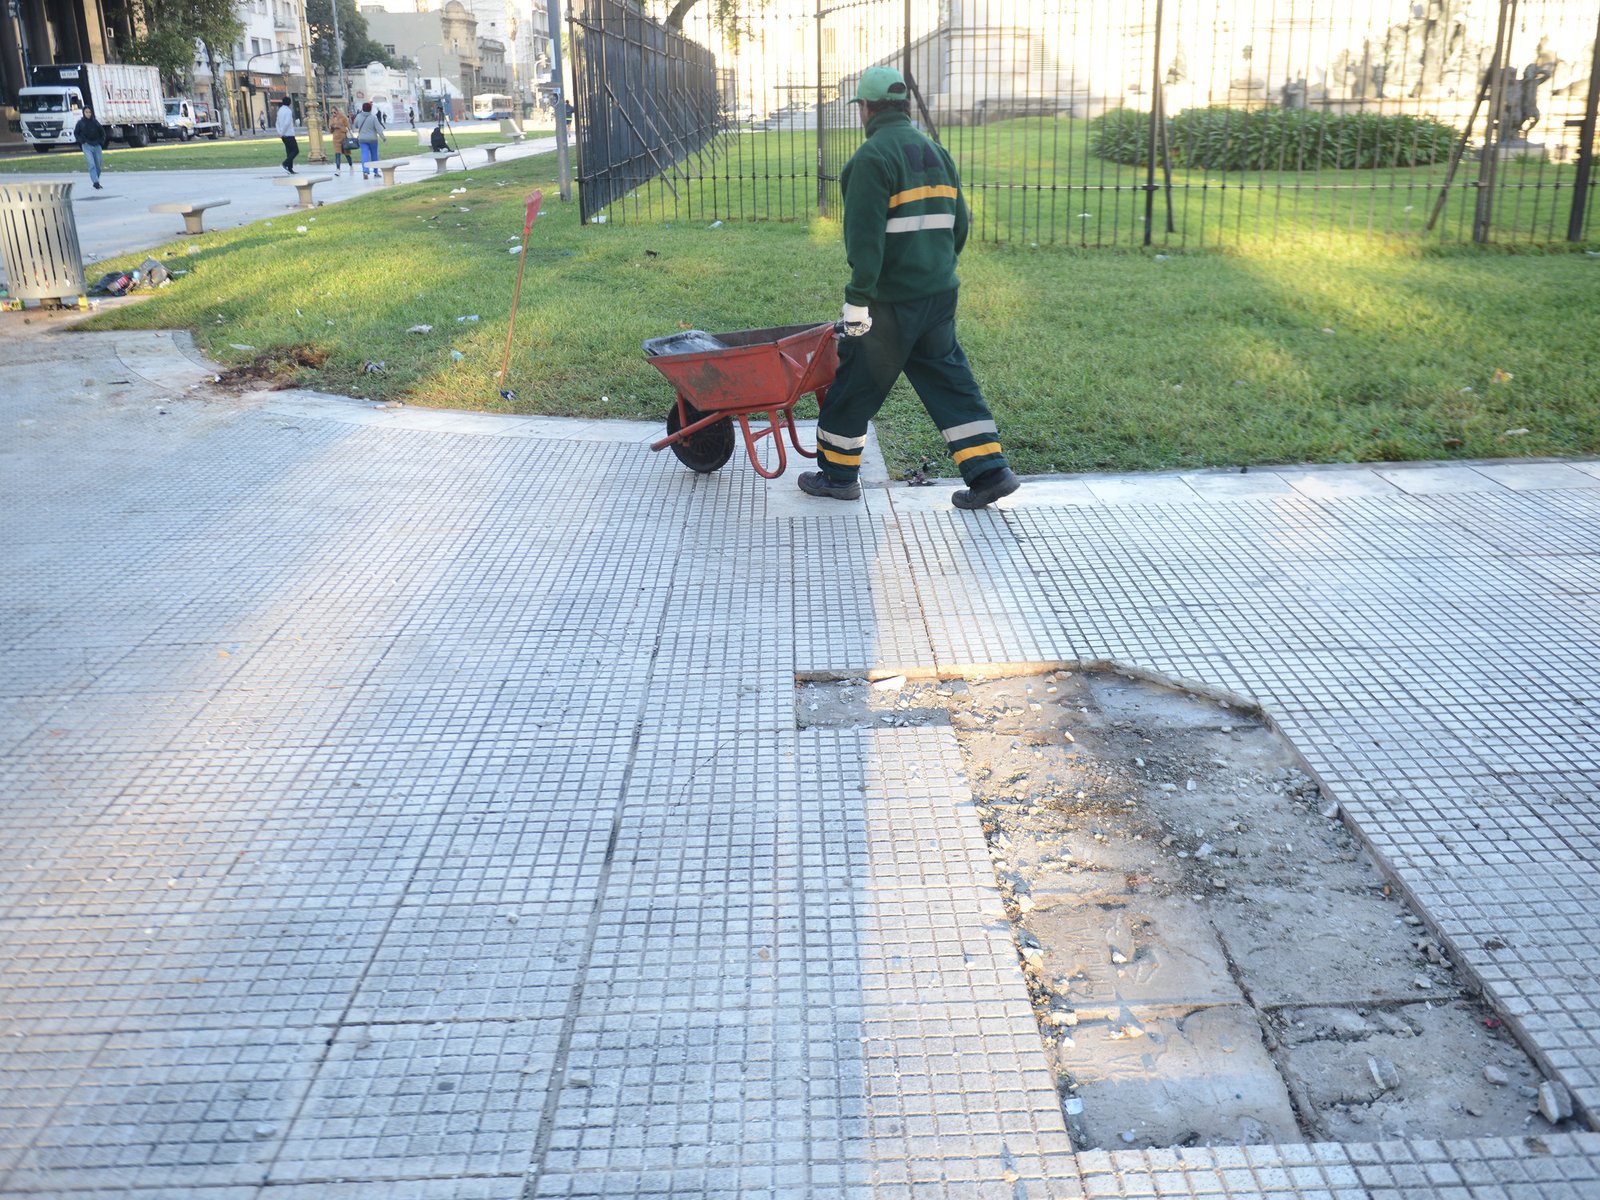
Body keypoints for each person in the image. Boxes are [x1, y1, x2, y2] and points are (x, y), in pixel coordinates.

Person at [797, 66, 1019, 510]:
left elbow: (865, 242)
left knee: (857, 381)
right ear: (903, 105)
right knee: (948, 378)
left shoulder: (870, 160)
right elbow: (960, 224)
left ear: (865, 107)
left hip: (891, 303)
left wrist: (857, 301)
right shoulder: (936, 151)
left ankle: (838, 475)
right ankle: (990, 472)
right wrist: (938, 268)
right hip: (939, 294)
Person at [72, 105, 108, 190]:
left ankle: (96, 179)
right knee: (91, 164)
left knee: (98, 165)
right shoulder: (80, 123)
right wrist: (82, 141)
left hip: (96, 146)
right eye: (86, 112)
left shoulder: (95, 122)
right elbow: (76, 133)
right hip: (87, 146)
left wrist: (101, 142)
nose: (88, 114)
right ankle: (95, 182)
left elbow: (102, 133)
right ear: (83, 113)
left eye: (89, 112)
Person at [353, 100, 386, 180]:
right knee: (374, 155)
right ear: (370, 109)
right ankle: (376, 172)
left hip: (362, 139)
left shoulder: (359, 116)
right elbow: (379, 129)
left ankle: (365, 171)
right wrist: (383, 138)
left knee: (364, 155)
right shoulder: (373, 117)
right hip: (373, 139)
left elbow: (356, 125)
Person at [275, 97, 298, 174]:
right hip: (289, 134)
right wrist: (283, 132)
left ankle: (290, 168)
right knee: (295, 150)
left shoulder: (280, 111)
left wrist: (280, 132)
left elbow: (277, 123)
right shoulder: (288, 111)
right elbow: (287, 123)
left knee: (289, 151)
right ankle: (286, 163)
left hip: (283, 135)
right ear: (289, 103)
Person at [328, 105, 352, 176]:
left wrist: (339, 126)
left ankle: (351, 165)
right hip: (335, 138)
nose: (333, 114)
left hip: (343, 138)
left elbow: (347, 128)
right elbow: (330, 131)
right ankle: (338, 169)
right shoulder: (331, 119)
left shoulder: (343, 118)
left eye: (334, 112)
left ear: (338, 111)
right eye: (332, 113)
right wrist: (331, 127)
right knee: (337, 154)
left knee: (347, 154)